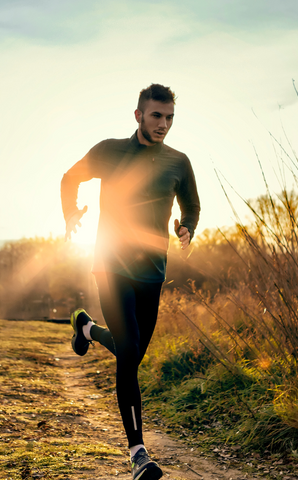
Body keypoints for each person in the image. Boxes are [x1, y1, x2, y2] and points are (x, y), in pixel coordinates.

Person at [61, 84, 200, 480]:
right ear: (138, 115)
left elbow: (192, 204)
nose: (164, 124)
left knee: (131, 351)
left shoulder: (178, 162)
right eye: (157, 115)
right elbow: (70, 178)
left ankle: (85, 327)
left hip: (153, 271)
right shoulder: (110, 150)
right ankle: (139, 453)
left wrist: (187, 227)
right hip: (111, 264)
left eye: (170, 117)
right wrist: (71, 213)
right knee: (130, 351)